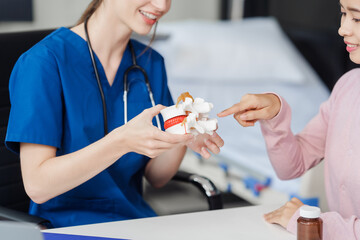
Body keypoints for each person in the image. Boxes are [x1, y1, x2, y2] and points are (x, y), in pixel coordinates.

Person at [5, 0, 224, 228]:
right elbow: (38, 186)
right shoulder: (43, 62)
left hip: (135, 223)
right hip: (65, 226)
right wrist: (121, 142)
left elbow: (157, 176)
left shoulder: (151, 63)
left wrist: (183, 134)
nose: (161, 5)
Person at [217, 0, 360, 238]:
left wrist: (311, 223)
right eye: (343, 14)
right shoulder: (348, 87)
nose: (343, 29)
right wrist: (275, 116)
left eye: (357, 18)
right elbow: (292, 166)